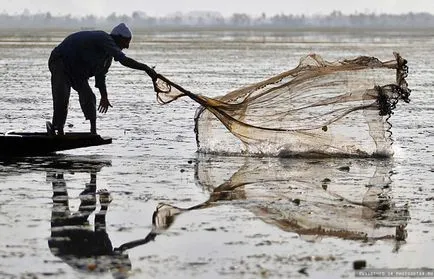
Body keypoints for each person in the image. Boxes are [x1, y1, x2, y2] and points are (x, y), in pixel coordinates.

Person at [47, 23, 157, 135]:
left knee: (89, 97)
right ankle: (57, 129)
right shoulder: (104, 38)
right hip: (60, 61)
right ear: (116, 38)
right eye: (125, 42)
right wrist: (146, 69)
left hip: (78, 70)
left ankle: (93, 132)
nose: (127, 47)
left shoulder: (107, 58)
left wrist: (104, 96)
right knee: (62, 97)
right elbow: (123, 60)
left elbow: (100, 77)